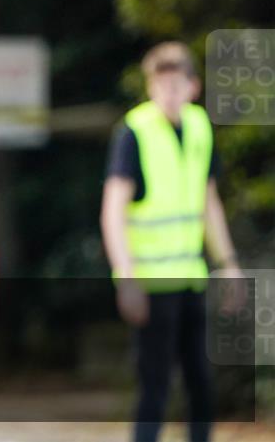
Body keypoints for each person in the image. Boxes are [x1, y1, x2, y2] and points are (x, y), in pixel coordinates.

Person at [100, 42, 243, 442]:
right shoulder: (134, 131)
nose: (168, 93)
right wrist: (125, 278)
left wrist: (227, 263)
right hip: (150, 284)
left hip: (191, 279)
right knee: (155, 390)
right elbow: (112, 210)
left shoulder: (199, 126)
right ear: (150, 87)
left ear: (193, 87)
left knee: (202, 386)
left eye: (176, 85)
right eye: (160, 85)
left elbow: (207, 201)